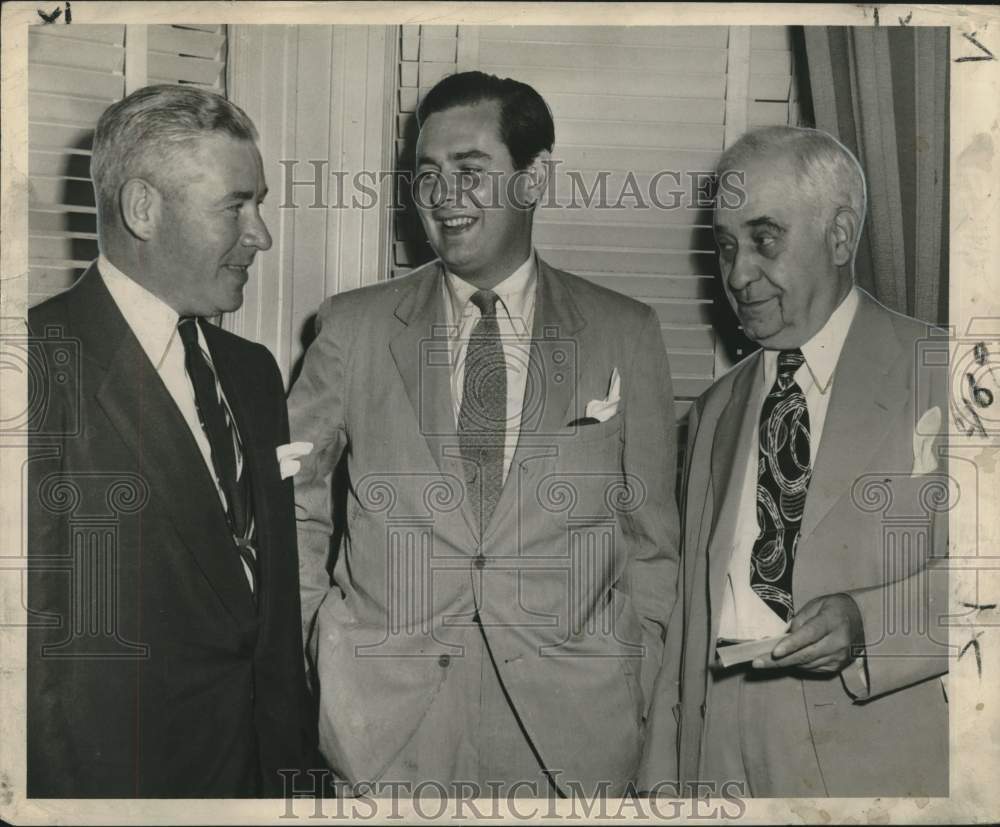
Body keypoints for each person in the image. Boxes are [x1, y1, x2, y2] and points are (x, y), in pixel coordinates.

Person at [288, 71, 679, 797]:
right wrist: (322, 638)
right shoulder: (351, 327)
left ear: (533, 181)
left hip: (571, 730)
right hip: (385, 725)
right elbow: (295, 501)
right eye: (427, 175)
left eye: (470, 172)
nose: (443, 197)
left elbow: (651, 538)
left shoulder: (626, 332)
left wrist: (638, 669)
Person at [639, 125, 950, 797]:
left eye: (764, 239)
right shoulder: (715, 409)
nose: (737, 273)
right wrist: (661, 784)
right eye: (725, 247)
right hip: (718, 768)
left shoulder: (953, 374)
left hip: (876, 770)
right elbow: (687, 625)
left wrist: (871, 623)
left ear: (839, 236)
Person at [27, 84, 314, 797]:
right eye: (236, 206)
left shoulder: (252, 374)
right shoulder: (32, 366)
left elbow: (265, 629)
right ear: (143, 208)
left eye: (261, 203)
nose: (261, 235)